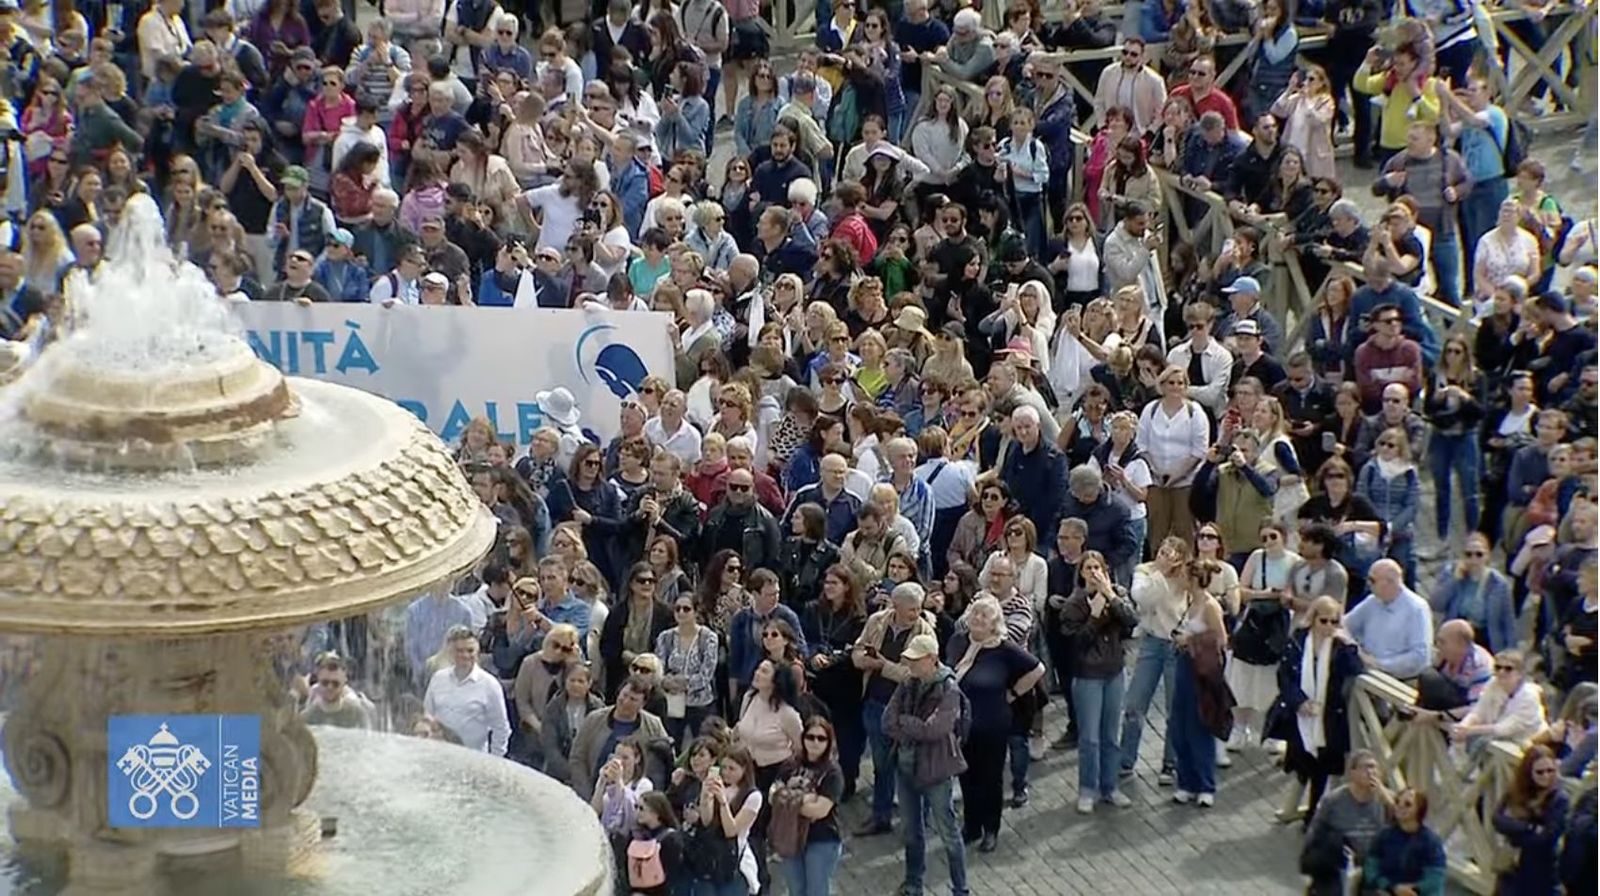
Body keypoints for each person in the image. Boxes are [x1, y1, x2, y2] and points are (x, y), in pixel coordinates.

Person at [882, 632, 969, 896]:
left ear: (931, 659)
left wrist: (906, 722)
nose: (910, 665)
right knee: (911, 831)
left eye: (915, 660)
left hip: (936, 768)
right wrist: (912, 725)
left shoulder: (949, 689)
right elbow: (887, 721)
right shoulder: (908, 682)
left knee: (948, 833)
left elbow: (936, 730)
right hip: (905, 764)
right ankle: (913, 883)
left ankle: (960, 889)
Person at [1266, 596, 1363, 822]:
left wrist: (1349, 644)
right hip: (1301, 715)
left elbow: (1355, 670)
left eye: (1334, 621)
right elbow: (1285, 676)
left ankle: (1313, 813)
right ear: (1313, 619)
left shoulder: (1340, 647)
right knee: (1302, 762)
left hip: (1328, 715)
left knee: (1323, 766)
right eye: (1324, 621)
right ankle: (1297, 808)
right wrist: (1299, 702)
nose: (1329, 626)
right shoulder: (1299, 640)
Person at [850, 581, 935, 837]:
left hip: (908, 711)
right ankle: (881, 815)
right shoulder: (877, 621)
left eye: (919, 608)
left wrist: (883, 666)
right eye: (911, 609)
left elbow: (918, 675)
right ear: (896, 607)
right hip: (876, 704)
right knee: (881, 764)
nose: (916, 614)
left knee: (910, 766)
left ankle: (918, 820)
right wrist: (861, 660)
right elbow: (858, 647)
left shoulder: (925, 634)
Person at [1060, 550, 1137, 813]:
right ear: (1081, 574)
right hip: (1087, 675)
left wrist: (1112, 597)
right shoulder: (1074, 604)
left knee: (1110, 735)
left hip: (1114, 671)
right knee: (1089, 738)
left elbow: (1132, 621)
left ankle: (1110, 787)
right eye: (1088, 569)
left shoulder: (1118, 594)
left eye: (1097, 568)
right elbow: (1076, 644)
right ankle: (1087, 789)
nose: (1093, 573)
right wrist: (1093, 617)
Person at [1168, 558, 1229, 807]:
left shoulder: (1210, 606)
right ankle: (1186, 782)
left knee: (1199, 725)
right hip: (1184, 665)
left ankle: (1206, 785)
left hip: (1202, 671)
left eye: (1183, 574)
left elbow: (1222, 640)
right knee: (1179, 725)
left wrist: (1190, 640)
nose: (1179, 578)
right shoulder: (1189, 602)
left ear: (1192, 578)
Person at [773, 716, 846, 896]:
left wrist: (788, 801)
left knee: (816, 891)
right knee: (796, 890)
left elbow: (820, 810)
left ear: (829, 742)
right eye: (810, 737)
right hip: (790, 835)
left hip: (822, 838)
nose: (815, 742)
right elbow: (772, 796)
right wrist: (805, 799)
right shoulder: (790, 765)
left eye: (821, 738)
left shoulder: (832, 772)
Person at [421, 624, 512, 756]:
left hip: (474, 758)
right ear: (452, 652)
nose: (465, 655)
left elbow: (501, 729)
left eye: (470, 651)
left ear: (478, 652)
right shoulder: (438, 678)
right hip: (439, 754)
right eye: (460, 650)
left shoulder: (490, 685)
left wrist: (494, 761)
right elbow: (427, 716)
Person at [1493, 745, 1571, 896]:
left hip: (1540, 872)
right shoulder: (1517, 790)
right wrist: (1529, 827)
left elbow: (1546, 838)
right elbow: (1497, 819)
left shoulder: (1559, 799)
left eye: (1550, 770)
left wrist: (1514, 832)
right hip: (1511, 868)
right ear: (1529, 772)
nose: (1546, 776)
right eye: (1540, 772)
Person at [1344, 560, 1432, 679]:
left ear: (1390, 582)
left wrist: (1380, 664)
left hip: (1399, 680)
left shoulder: (1417, 609)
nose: (1368, 584)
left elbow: (1419, 657)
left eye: (1373, 580)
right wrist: (1355, 648)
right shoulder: (1372, 601)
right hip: (1367, 672)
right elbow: (1344, 625)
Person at [1362, 788, 1446, 896]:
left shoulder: (1431, 842)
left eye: (1407, 804)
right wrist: (1392, 887)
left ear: (1419, 810)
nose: (1400, 806)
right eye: (1397, 802)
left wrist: (1412, 890)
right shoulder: (1384, 836)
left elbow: (1435, 878)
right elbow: (1371, 869)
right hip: (1387, 892)